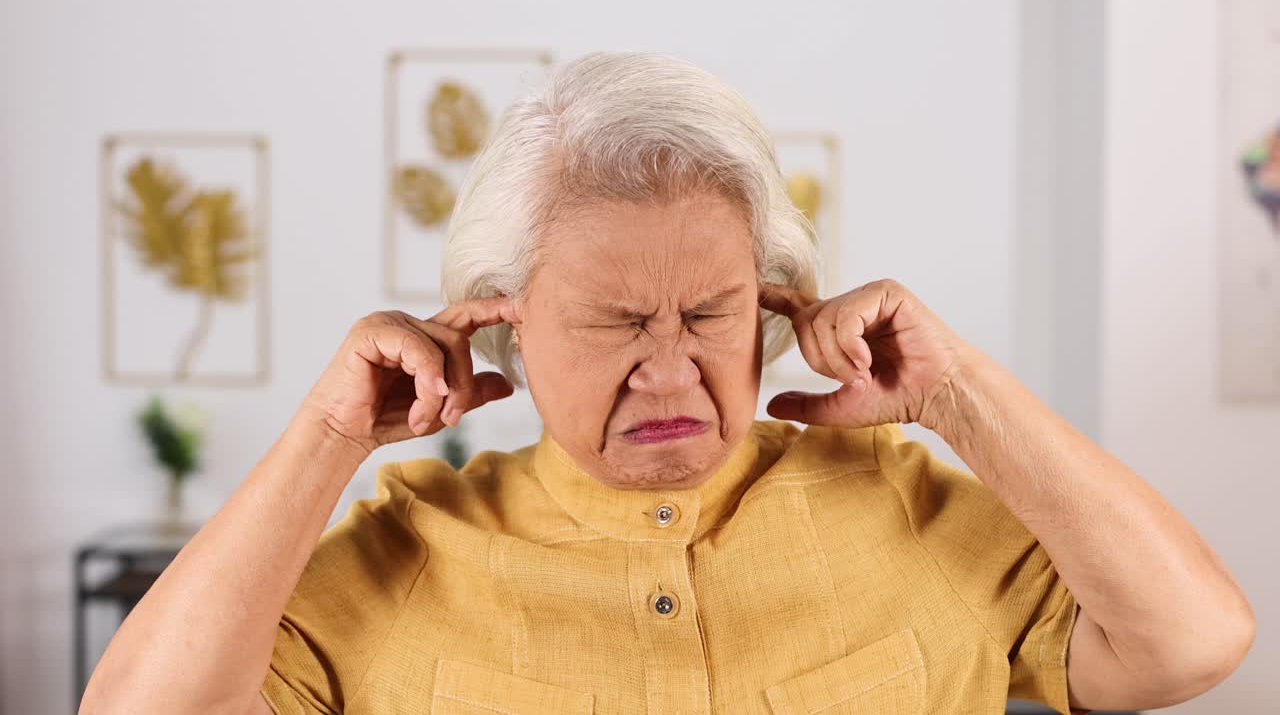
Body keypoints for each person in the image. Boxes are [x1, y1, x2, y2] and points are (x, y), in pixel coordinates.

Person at [80, 52, 1254, 715]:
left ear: (775, 305)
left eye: (708, 312)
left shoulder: (901, 500)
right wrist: (330, 432)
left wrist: (953, 394)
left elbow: (1191, 640)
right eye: (612, 321)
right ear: (506, 328)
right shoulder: (407, 547)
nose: (667, 365)